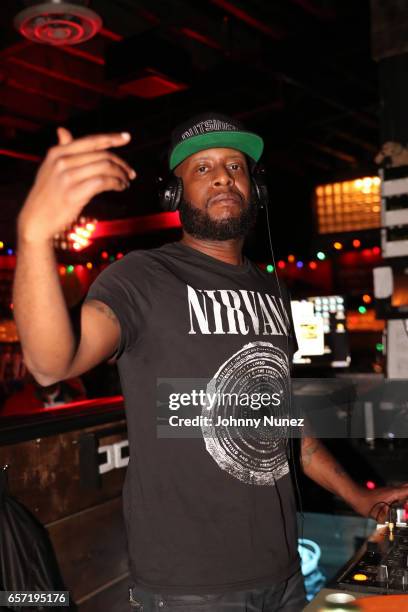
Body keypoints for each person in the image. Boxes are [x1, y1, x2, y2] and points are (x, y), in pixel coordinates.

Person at [13, 113, 408, 612]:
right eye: (202, 169)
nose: (222, 176)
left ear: (255, 190)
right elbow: (52, 364)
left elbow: (280, 424)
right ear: (174, 197)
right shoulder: (142, 277)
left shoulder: (271, 290)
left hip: (282, 572)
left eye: (234, 166)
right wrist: (33, 237)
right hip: (188, 587)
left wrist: (354, 493)